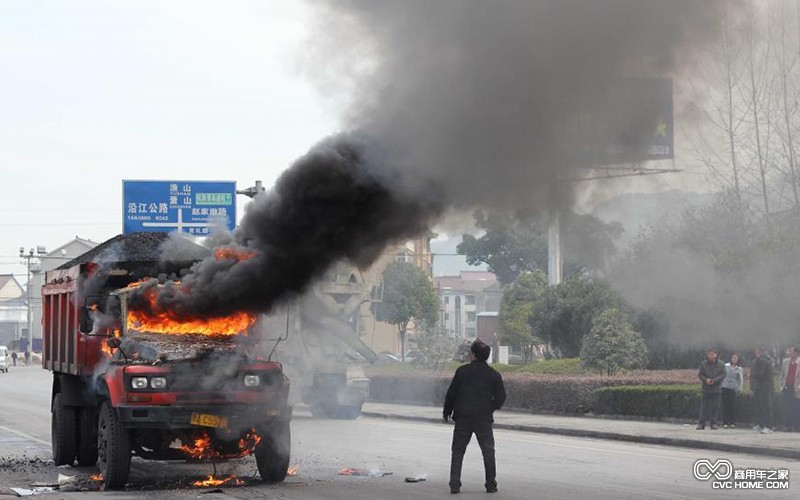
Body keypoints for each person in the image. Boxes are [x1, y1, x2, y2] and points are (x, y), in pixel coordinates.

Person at [443, 340, 506, 494]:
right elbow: (501, 397)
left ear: (473, 355)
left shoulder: (462, 371)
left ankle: (454, 484)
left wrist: (447, 411)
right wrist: (490, 408)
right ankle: (491, 485)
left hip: (463, 417)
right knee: (488, 452)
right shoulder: (494, 375)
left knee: (458, 451)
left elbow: (452, 393)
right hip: (483, 419)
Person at [697, 348, 725, 430]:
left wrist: (714, 380)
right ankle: (701, 423)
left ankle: (714, 423)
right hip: (706, 388)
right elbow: (700, 374)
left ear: (716, 355)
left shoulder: (721, 364)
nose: (711, 356)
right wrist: (706, 380)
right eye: (709, 354)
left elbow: (723, 374)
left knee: (715, 407)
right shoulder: (703, 364)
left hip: (716, 388)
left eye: (712, 354)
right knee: (704, 407)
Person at [751, 346, 775, 434]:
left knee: (766, 406)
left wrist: (752, 374)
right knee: (759, 406)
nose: (755, 351)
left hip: (766, 386)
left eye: (756, 350)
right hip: (759, 386)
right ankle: (760, 424)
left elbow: (761, 373)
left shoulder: (764, 360)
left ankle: (769, 426)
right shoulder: (759, 360)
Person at [779, 346, 800, 431]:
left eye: (791, 351)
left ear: (796, 353)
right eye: (789, 351)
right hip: (787, 387)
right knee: (787, 407)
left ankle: (797, 426)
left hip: (797, 388)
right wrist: (782, 385)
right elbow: (782, 374)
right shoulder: (785, 362)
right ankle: (788, 426)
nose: (789, 353)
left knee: (796, 407)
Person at [720, 353, 743, 428]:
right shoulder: (726, 366)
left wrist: (739, 388)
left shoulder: (739, 369)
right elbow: (722, 375)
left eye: (736, 358)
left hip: (733, 388)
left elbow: (740, 379)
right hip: (725, 387)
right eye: (733, 358)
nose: (734, 359)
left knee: (732, 406)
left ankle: (732, 422)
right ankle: (725, 422)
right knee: (725, 405)